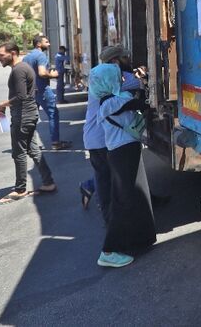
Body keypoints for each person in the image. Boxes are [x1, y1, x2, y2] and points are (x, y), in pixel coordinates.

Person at [89, 59, 156, 268]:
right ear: (108, 81)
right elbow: (141, 103)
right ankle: (109, 250)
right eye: (116, 77)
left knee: (135, 196)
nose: (121, 80)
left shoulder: (109, 99)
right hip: (122, 153)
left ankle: (138, 239)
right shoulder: (113, 102)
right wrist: (145, 82)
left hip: (122, 152)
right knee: (123, 200)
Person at [82, 45, 146, 222]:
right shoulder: (113, 80)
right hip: (100, 139)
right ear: (115, 61)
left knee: (115, 177)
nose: (129, 60)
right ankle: (109, 219)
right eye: (125, 57)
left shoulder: (101, 79)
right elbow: (140, 83)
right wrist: (142, 74)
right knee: (108, 180)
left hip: (96, 137)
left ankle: (91, 190)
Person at [0, 42, 56, 203]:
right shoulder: (23, 68)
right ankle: (48, 182)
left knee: (19, 153)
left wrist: (3, 104)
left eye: (1, 55)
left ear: (13, 53)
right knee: (33, 150)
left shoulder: (19, 70)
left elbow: (22, 96)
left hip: (23, 116)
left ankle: (20, 189)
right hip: (29, 114)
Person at [23, 35, 70, 149]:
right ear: (39, 44)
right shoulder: (41, 55)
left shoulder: (26, 57)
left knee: (31, 117)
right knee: (53, 114)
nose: (49, 44)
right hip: (42, 90)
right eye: (46, 42)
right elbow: (42, 73)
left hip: (30, 90)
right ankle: (56, 143)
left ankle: (29, 144)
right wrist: (52, 75)